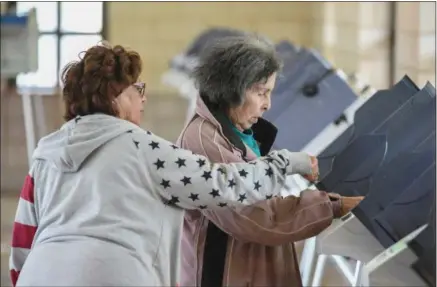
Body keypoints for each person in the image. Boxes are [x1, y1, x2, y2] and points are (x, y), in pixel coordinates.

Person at [8, 42, 325, 287]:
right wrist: (288, 162)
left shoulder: (45, 153)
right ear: (116, 95)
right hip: (116, 275)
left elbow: (22, 243)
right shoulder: (146, 149)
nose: (144, 99)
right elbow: (227, 185)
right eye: (138, 90)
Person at [177, 34, 364, 287]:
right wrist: (329, 206)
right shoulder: (204, 140)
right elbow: (251, 216)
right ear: (233, 89)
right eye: (261, 93)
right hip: (223, 274)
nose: (267, 104)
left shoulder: (239, 133)